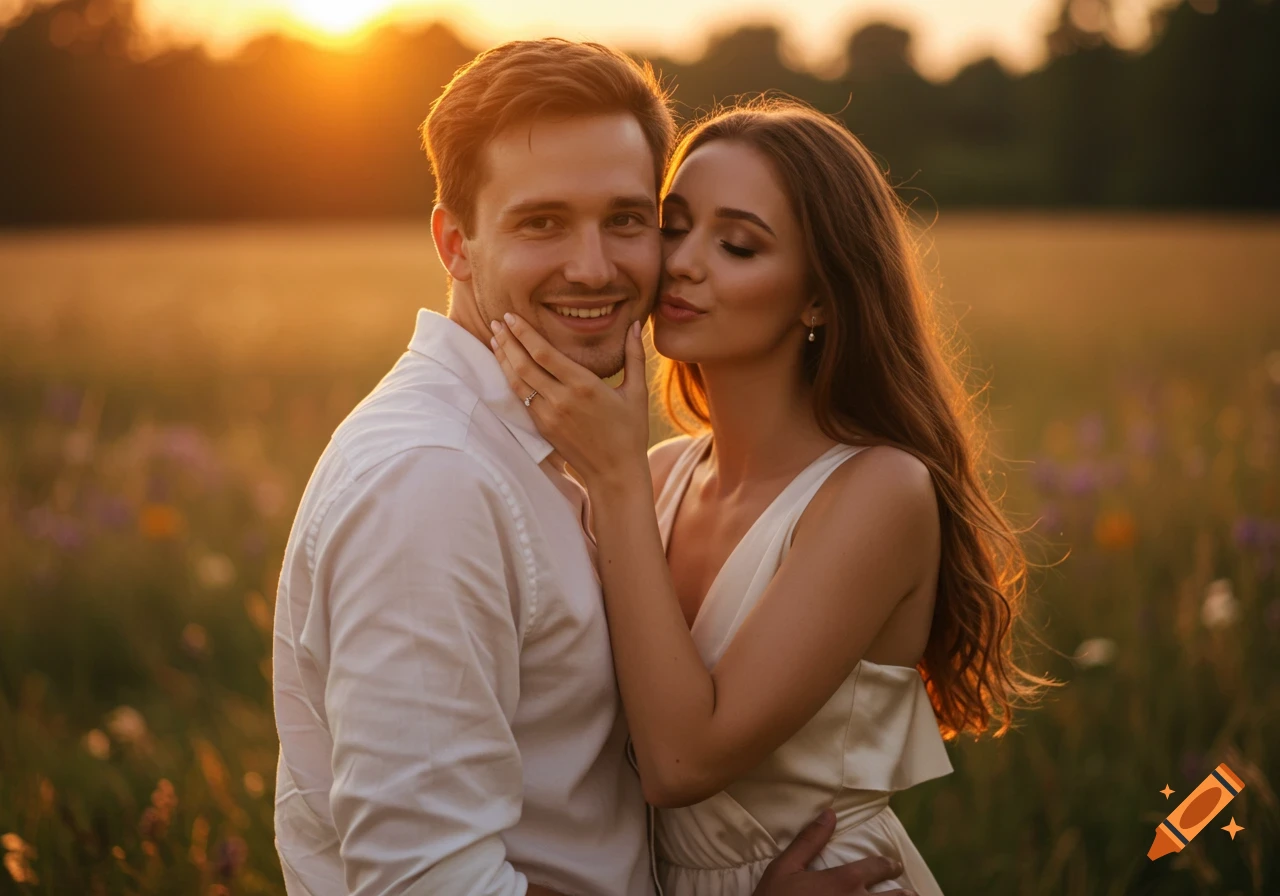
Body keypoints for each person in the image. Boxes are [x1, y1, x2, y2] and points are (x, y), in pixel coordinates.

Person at [272, 41, 918, 896]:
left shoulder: (566, 460)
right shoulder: (435, 484)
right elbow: (427, 882)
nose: (597, 268)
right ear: (455, 244)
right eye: (542, 222)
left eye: (626, 219)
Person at [491, 97, 1054, 895]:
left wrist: (610, 478)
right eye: (673, 225)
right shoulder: (656, 477)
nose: (683, 262)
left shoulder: (877, 491)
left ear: (818, 298)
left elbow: (679, 763)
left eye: (739, 245)